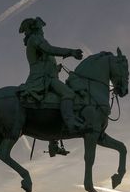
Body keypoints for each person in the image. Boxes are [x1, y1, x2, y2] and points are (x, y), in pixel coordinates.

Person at [18, 17, 86, 155]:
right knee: (69, 94)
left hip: (48, 78)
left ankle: (54, 142)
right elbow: (49, 49)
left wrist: (56, 69)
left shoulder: (36, 40)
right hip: (42, 80)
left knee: (55, 102)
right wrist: (70, 52)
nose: (43, 31)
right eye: (41, 28)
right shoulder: (36, 39)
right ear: (36, 29)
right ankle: (71, 123)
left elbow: (45, 62)